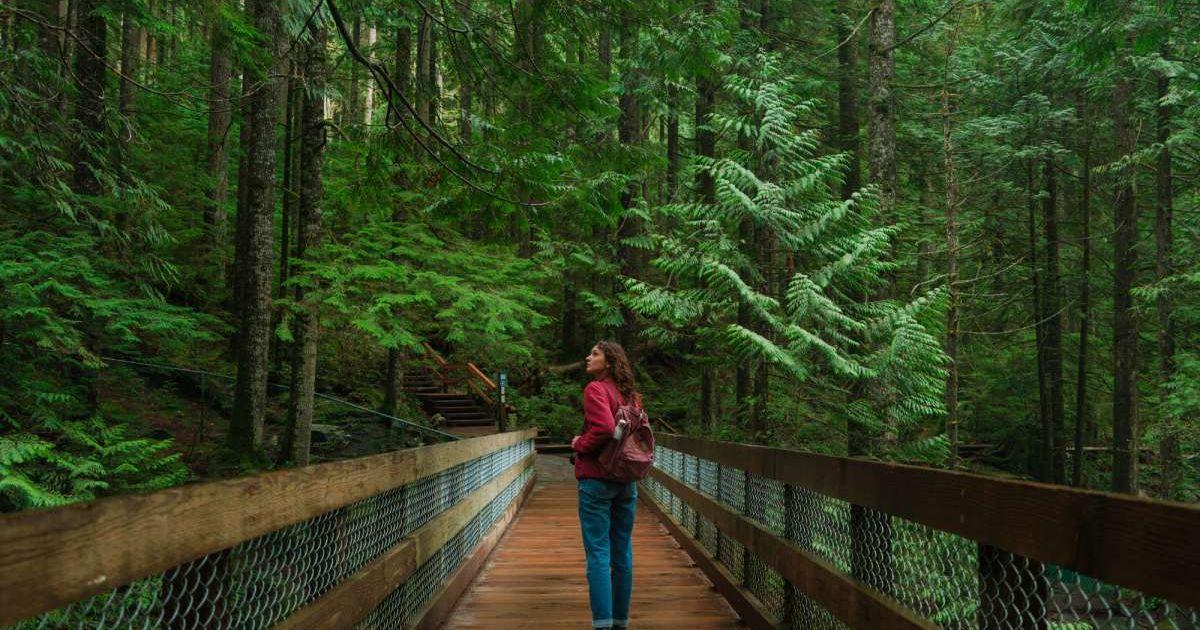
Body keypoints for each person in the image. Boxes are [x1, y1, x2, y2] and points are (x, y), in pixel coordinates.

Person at [570, 340, 642, 630]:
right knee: (621, 550)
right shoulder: (631, 395)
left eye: (595, 354)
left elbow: (601, 428)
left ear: (608, 361)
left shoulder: (595, 389)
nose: (588, 357)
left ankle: (602, 624)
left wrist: (579, 444)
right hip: (625, 480)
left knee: (598, 553)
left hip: (597, 479)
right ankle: (620, 622)